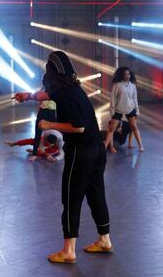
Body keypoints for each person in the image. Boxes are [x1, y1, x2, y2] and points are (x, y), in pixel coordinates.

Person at [13, 51, 113, 264]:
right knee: (96, 194)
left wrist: (49, 125)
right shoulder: (71, 88)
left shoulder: (66, 94)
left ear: (52, 72)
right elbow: (48, 95)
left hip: (81, 152)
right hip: (96, 150)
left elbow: (78, 127)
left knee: (71, 198)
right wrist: (28, 96)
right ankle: (105, 240)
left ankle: (69, 251)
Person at [104, 66, 144, 153]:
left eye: (128, 74)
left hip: (130, 109)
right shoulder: (117, 85)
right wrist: (112, 110)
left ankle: (140, 146)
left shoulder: (133, 86)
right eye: (125, 74)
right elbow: (113, 98)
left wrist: (137, 110)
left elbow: (135, 99)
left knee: (134, 127)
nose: (127, 76)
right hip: (118, 109)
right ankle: (105, 147)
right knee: (111, 128)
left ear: (130, 75)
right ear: (122, 75)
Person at [30, 96, 57, 162]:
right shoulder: (44, 89)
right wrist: (38, 113)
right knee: (38, 134)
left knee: (53, 134)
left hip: (52, 112)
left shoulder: (57, 90)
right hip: (43, 111)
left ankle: (52, 152)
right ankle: (34, 154)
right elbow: (40, 101)